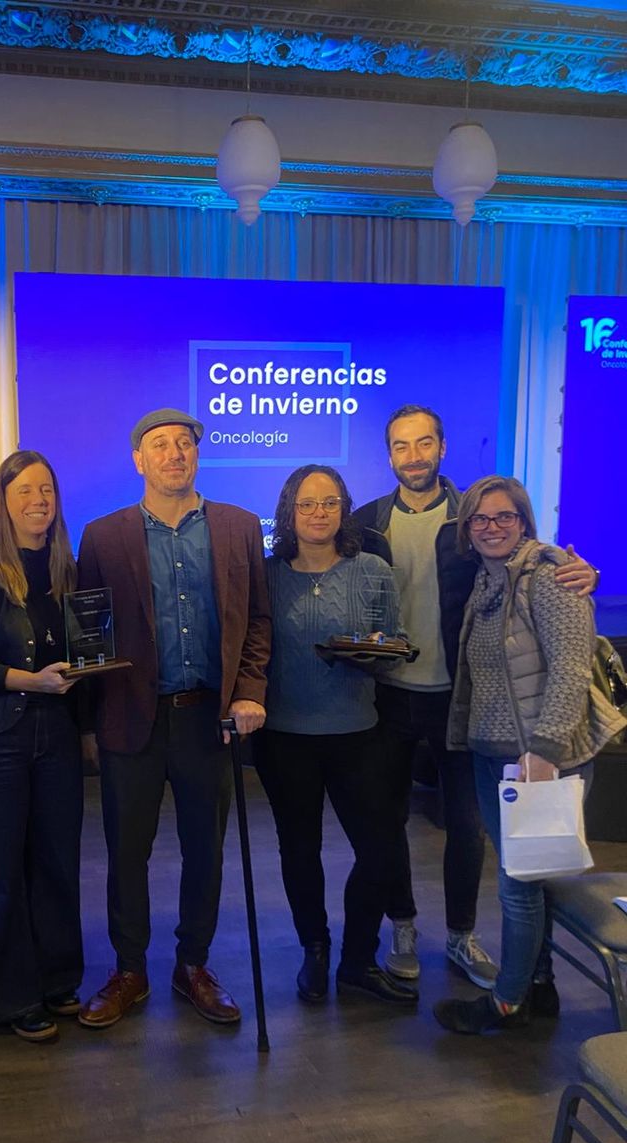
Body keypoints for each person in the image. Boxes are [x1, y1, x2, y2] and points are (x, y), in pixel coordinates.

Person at [355, 406, 596, 987]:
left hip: (461, 702)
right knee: (385, 825)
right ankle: (403, 925)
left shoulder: (474, 519)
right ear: (388, 455)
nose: (412, 456)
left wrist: (582, 573)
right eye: (400, 446)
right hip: (387, 701)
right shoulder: (366, 524)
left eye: (423, 444)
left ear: (442, 447)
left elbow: (531, 565)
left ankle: (462, 935)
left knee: (467, 828)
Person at [76, 408, 270, 1030]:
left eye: (184, 443)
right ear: (139, 460)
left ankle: (193, 966)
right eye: (159, 445)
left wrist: (248, 689)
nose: (174, 454)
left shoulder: (239, 528)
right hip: (130, 719)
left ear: (196, 455)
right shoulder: (103, 536)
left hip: (205, 717)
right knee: (126, 851)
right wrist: (86, 723)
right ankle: (129, 969)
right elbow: (89, 634)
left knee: (204, 852)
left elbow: (258, 622)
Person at [434, 476, 624, 1034]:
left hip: (540, 758)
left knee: (518, 884)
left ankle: (506, 1001)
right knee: (530, 877)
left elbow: (569, 672)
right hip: (494, 753)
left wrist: (544, 753)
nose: (492, 528)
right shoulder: (489, 579)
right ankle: (539, 986)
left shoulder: (552, 578)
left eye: (504, 518)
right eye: (480, 520)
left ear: (524, 521)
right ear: (468, 529)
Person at [254, 465, 418, 1007]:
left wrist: (374, 651)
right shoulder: (267, 573)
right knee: (299, 851)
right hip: (285, 737)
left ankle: (356, 959)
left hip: (358, 733)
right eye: (307, 504)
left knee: (380, 852)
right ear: (289, 512)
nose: (319, 513)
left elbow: (392, 643)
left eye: (329, 503)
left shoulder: (372, 569)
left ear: (344, 509)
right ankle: (315, 949)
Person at [0, 451, 84, 1043]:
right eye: (25, 490)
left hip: (56, 735)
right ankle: (6, 999)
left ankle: (55, 982)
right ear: (3, 501)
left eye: (47, 489)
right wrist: (28, 680)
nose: (39, 500)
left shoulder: (66, 571)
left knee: (56, 864)